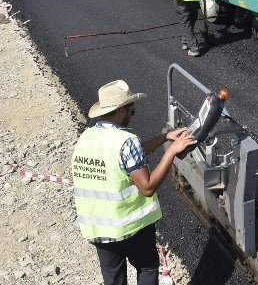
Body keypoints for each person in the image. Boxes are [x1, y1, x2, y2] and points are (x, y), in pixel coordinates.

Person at [72, 80, 197, 285]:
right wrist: (172, 151)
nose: (133, 114)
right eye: (132, 110)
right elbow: (147, 188)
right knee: (147, 267)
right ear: (121, 111)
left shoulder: (87, 137)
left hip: (99, 229)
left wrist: (165, 137)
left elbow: (128, 158)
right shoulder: (126, 141)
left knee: (113, 280)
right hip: (129, 227)